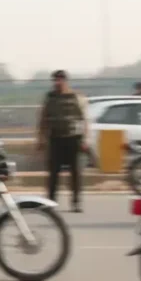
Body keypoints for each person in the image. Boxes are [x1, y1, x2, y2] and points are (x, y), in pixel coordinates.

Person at [36, 70, 89, 213]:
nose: (57, 82)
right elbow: (43, 119)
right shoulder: (50, 98)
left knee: (75, 174)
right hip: (55, 139)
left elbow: (84, 120)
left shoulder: (76, 97)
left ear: (66, 81)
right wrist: (41, 139)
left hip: (73, 139)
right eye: (55, 80)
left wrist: (85, 139)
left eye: (60, 79)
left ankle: (76, 202)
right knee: (53, 174)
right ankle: (50, 202)